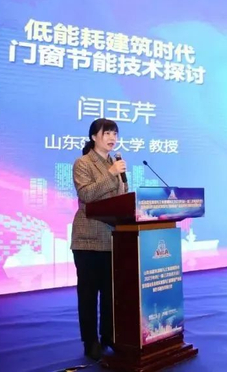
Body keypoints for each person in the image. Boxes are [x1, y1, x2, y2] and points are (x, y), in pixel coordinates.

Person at [71, 118, 128, 360]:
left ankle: (108, 336)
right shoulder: (83, 163)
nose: (112, 138)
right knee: (88, 293)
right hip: (88, 239)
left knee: (110, 293)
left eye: (115, 133)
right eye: (107, 133)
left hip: (113, 238)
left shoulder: (116, 163)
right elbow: (86, 194)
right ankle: (90, 341)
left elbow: (123, 197)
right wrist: (111, 174)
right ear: (94, 137)